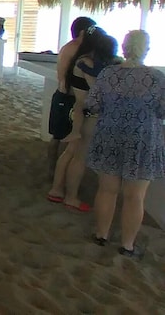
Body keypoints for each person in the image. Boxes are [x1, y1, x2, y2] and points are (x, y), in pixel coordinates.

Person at [87, 30, 165, 258]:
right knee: (135, 196)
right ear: (146, 49)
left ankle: (101, 235)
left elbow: (93, 104)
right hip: (142, 140)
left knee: (107, 189)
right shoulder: (156, 78)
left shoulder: (108, 74)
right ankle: (128, 245)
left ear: (124, 47)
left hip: (109, 135)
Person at [48, 28, 119, 212]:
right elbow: (97, 90)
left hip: (77, 109)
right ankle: (71, 196)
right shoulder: (86, 63)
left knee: (71, 152)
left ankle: (57, 189)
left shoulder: (81, 59)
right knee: (79, 157)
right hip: (84, 112)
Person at [48, 17, 97, 173]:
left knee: (57, 136)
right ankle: (58, 173)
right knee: (66, 137)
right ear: (84, 32)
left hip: (61, 95)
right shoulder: (78, 48)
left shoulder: (68, 46)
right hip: (68, 97)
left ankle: (52, 171)